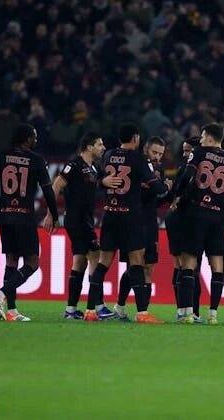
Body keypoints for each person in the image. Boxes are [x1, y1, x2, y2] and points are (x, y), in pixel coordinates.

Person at [0, 123, 59, 322]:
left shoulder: (2, 156)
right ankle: (0, 294)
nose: (36, 140)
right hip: (24, 217)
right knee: (32, 263)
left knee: (11, 261)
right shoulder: (36, 160)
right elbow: (48, 190)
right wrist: (54, 215)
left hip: (4, 216)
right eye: (34, 136)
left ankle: (11, 311)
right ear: (27, 138)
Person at [88, 124, 168, 323]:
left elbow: (96, 178)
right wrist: (166, 186)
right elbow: (156, 187)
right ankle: (142, 313)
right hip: (130, 217)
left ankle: (90, 310)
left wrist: (103, 182)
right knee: (137, 262)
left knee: (103, 263)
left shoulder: (108, 155)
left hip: (109, 214)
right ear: (135, 138)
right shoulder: (138, 158)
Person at [42, 133, 121, 320]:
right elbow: (56, 186)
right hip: (76, 219)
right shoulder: (75, 164)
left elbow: (99, 182)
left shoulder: (93, 168)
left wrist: (103, 182)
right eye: (99, 144)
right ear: (89, 147)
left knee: (80, 261)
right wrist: (51, 213)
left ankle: (71, 310)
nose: (103, 148)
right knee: (95, 256)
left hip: (85, 219)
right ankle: (97, 306)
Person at [171, 122, 224, 324]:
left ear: (210, 138)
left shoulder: (199, 152)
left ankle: (187, 313)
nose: (200, 140)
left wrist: (177, 196)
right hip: (218, 218)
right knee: (218, 264)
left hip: (197, 213)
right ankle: (213, 314)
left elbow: (188, 176)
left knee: (189, 263)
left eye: (202, 136)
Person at [114, 136, 172, 321]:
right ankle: (120, 306)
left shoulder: (159, 170)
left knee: (149, 266)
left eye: (160, 154)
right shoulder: (136, 166)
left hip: (150, 223)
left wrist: (168, 193)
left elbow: (156, 200)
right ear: (145, 149)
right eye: (154, 152)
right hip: (133, 220)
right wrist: (162, 188)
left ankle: (143, 311)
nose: (157, 157)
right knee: (134, 265)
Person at [165, 137, 204, 322]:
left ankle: (183, 310)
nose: (185, 154)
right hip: (186, 219)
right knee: (190, 266)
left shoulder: (185, 169)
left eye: (188, 150)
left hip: (177, 218)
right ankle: (190, 312)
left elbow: (175, 194)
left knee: (181, 266)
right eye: (184, 150)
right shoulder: (191, 170)